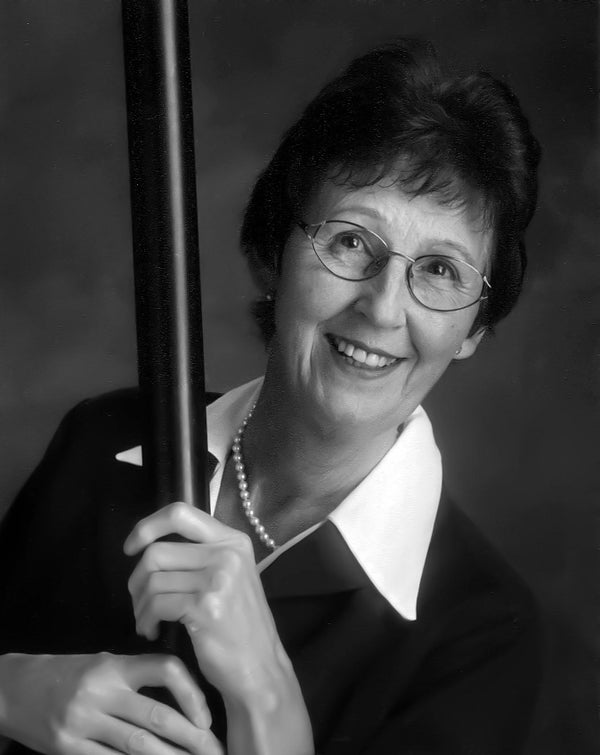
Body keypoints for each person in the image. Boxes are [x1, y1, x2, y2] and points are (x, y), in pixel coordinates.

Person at [0, 38, 541, 755]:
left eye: (441, 270)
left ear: (473, 328)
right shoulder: (101, 440)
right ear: (270, 256)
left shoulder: (483, 633)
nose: (383, 308)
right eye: (352, 242)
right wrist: (8, 691)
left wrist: (265, 693)